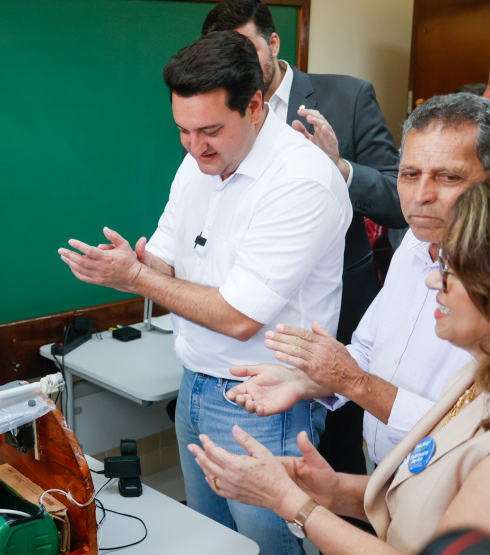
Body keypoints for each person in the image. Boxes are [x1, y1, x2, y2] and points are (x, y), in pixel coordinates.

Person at [58, 31, 350, 554]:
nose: (195, 147)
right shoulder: (198, 162)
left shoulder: (300, 181)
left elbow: (240, 317)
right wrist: (132, 263)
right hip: (193, 384)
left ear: (257, 106)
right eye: (183, 131)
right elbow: (166, 256)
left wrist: (139, 279)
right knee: (211, 539)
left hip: (263, 401)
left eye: (211, 130)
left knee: (268, 545)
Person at [188, 182, 490, 554]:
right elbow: (425, 493)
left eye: (451, 270)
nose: (431, 280)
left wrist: (291, 503)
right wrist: (336, 492)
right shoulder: (473, 377)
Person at [226, 93, 490, 467]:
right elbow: (367, 353)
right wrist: (303, 380)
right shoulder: (415, 242)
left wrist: (353, 382)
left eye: (448, 177)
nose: (421, 196)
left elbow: (471, 431)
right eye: (410, 175)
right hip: (387, 480)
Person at [203, 0, 406, 479]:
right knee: (262, 472)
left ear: (274, 44)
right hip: (249, 320)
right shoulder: (214, 114)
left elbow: (402, 199)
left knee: (337, 457)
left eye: (248, 49)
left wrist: (340, 170)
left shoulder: (348, 97)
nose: (238, 66)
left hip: (336, 317)